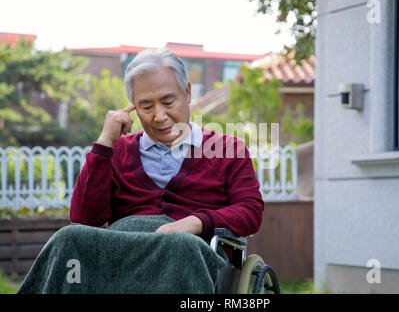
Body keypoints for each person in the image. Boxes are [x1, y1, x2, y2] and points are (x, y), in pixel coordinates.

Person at [17, 48, 264, 294]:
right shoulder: (118, 151)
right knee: (68, 238)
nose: (159, 116)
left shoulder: (227, 149)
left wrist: (198, 221)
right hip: (121, 254)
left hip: (188, 253)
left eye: (168, 102)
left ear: (187, 93)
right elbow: (84, 219)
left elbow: (250, 210)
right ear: (133, 107)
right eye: (146, 107)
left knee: (181, 246)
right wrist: (104, 143)